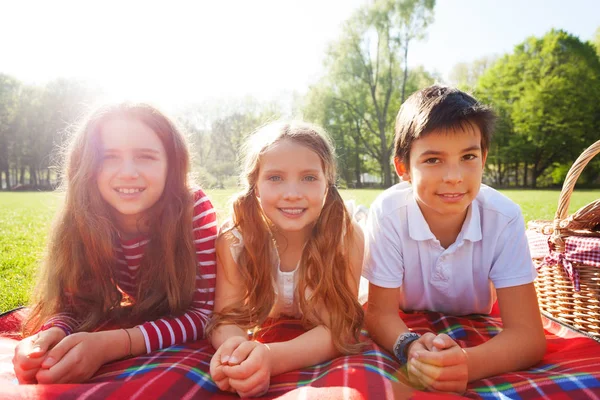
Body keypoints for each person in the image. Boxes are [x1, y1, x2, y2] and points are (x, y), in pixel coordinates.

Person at [12, 103, 217, 384]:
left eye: (146, 156)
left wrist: (112, 345)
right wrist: (49, 336)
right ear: (87, 166)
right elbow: (74, 304)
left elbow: (205, 315)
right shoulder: (83, 215)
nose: (128, 172)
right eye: (109, 157)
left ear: (172, 165)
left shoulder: (193, 209)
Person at [363, 85, 546, 393]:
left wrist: (467, 363)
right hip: (408, 316)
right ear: (403, 167)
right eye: (433, 160)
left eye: (468, 156)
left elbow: (528, 335)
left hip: (475, 316)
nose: (454, 176)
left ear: (484, 158)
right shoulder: (388, 213)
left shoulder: (504, 217)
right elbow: (380, 313)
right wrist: (408, 346)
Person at [208, 121, 364, 397]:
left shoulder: (346, 238)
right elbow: (225, 317)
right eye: (275, 178)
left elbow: (339, 328)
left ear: (327, 185)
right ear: (255, 186)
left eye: (308, 178)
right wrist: (236, 354)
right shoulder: (235, 240)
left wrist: (272, 358)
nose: (292, 194)